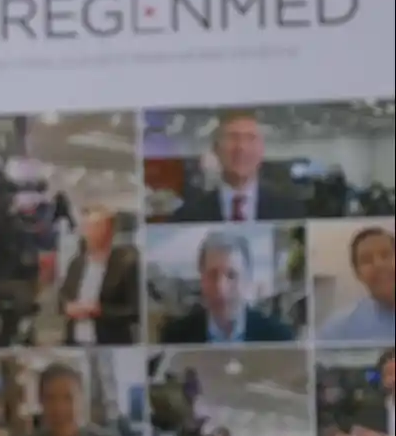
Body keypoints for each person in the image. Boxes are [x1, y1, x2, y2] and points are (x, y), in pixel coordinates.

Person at [157, 230, 295, 344]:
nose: (221, 288)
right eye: (212, 275)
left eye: (232, 275)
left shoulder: (279, 338)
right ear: (202, 279)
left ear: (247, 280)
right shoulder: (174, 338)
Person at [167, 111, 305, 222]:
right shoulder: (187, 216)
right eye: (232, 137)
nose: (241, 148)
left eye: (250, 138)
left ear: (261, 149)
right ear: (216, 148)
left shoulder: (292, 212)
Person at [8, 363, 133, 436]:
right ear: (40, 402)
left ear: (82, 401)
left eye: (68, 398)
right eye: (50, 398)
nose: (59, 408)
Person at [58, 205, 140, 346]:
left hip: (110, 343)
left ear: (109, 231)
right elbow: (63, 295)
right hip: (75, 342)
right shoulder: (76, 264)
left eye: (95, 227)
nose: (88, 232)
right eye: (86, 227)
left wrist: (100, 311)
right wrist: (67, 307)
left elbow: (135, 311)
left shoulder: (126, 265)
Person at [317, 227, 396, 342]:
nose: (379, 265)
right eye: (367, 260)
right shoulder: (337, 331)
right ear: (358, 274)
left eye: (386, 255)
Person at [319, 348, 395, 436]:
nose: (394, 379)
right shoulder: (368, 410)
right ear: (383, 380)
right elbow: (332, 434)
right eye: (390, 374)